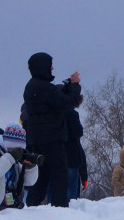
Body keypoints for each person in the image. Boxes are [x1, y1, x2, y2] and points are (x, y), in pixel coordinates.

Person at [22, 52, 82, 207]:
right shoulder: (44, 87)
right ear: (43, 67)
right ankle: (59, 208)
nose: (52, 68)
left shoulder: (31, 86)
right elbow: (68, 103)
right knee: (60, 173)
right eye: (50, 65)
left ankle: (32, 205)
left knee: (43, 175)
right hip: (51, 138)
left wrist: (67, 86)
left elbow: (55, 97)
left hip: (36, 138)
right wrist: (75, 86)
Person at [65, 96, 85, 201]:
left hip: (58, 156)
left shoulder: (54, 114)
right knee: (71, 190)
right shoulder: (72, 114)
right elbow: (78, 132)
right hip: (72, 156)